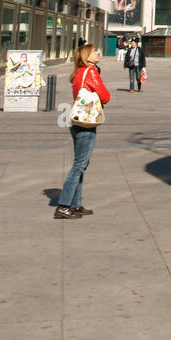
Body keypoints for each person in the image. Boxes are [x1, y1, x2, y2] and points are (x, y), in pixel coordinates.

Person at [55, 42, 110, 220]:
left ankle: (75, 204)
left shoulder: (78, 72)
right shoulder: (91, 72)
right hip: (87, 122)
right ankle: (64, 206)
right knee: (79, 165)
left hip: (77, 120)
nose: (98, 53)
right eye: (95, 51)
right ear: (87, 56)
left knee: (81, 164)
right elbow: (105, 96)